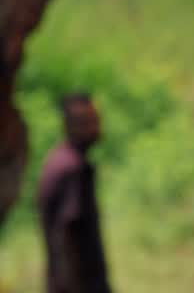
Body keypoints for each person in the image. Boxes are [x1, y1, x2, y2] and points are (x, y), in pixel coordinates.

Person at [36, 93, 112, 293]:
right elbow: (66, 235)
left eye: (95, 121)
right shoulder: (71, 169)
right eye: (86, 123)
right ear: (68, 125)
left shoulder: (59, 161)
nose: (95, 129)